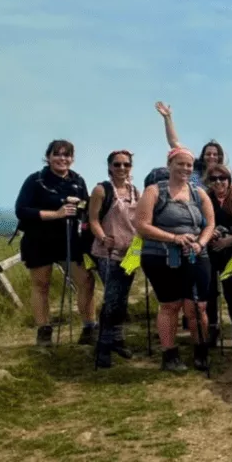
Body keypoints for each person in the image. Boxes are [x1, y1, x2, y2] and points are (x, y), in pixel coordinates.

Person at [136, 147, 216, 372]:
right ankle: (169, 355)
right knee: (170, 305)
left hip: (195, 254)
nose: (185, 168)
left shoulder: (198, 193)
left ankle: (201, 351)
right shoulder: (154, 191)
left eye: (189, 165)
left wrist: (200, 243)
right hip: (160, 256)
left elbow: (209, 224)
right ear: (169, 165)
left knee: (197, 307)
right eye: (180, 164)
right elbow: (142, 225)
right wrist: (174, 237)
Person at [14, 139, 96, 347]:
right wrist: (56, 214)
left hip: (70, 239)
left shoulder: (78, 181)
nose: (62, 159)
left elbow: (86, 207)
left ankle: (89, 328)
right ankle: (44, 331)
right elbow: (22, 210)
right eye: (57, 154)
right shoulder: (35, 181)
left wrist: (81, 205)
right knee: (41, 285)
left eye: (67, 155)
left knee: (86, 281)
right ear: (48, 157)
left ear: (72, 159)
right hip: (39, 240)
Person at [88, 150, 139, 367]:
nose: (121, 169)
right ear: (109, 167)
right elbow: (93, 219)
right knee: (111, 299)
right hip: (107, 253)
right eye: (117, 165)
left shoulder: (135, 191)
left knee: (122, 299)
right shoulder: (101, 190)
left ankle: (117, 339)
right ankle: (103, 347)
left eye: (126, 165)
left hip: (130, 254)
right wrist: (101, 237)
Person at [204, 164, 232, 352]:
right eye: (214, 179)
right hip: (209, 250)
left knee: (231, 293)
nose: (218, 182)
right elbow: (199, 222)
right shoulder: (204, 199)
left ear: (229, 180)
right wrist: (209, 233)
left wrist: (231, 239)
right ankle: (212, 329)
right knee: (210, 293)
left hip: (230, 252)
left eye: (222, 178)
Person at [156, 101, 225, 188]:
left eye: (215, 154)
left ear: (220, 157)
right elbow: (174, 143)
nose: (211, 157)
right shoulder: (193, 169)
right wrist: (167, 117)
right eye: (208, 154)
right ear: (203, 156)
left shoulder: (223, 177)